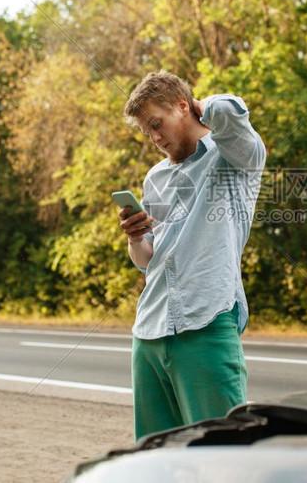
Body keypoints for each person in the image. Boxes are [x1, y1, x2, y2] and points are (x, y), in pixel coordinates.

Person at [118, 70, 266, 442]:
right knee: (156, 460)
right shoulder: (156, 177)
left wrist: (202, 107)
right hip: (149, 330)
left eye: (157, 123)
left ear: (183, 106)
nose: (154, 137)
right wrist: (136, 238)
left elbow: (233, 113)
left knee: (222, 454)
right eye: (146, 131)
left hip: (206, 323)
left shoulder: (233, 157)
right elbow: (147, 259)